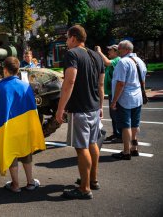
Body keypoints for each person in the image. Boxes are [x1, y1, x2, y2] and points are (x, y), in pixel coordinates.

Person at [56, 25, 104, 200]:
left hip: (79, 109)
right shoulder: (96, 55)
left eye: (67, 38)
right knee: (93, 144)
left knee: (81, 148)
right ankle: (93, 180)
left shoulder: (72, 54)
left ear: (74, 38)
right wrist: (100, 107)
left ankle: (84, 189)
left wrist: (60, 109)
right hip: (93, 108)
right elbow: (100, 85)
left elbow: (70, 81)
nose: (66, 41)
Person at [0, 56, 46, 193]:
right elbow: (33, 110)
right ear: (17, 70)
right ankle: (30, 182)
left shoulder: (0, 87)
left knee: (12, 154)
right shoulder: (25, 86)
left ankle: (15, 185)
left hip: (8, 128)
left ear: (5, 70)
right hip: (24, 127)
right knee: (26, 153)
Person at [110, 40, 147, 160]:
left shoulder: (123, 62)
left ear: (126, 50)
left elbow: (120, 83)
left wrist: (114, 100)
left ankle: (126, 152)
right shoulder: (140, 61)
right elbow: (143, 81)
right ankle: (134, 148)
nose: (118, 51)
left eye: (119, 49)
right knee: (135, 124)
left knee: (126, 125)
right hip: (137, 97)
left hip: (125, 98)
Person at [95, 44, 121, 143]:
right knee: (113, 114)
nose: (108, 52)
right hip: (111, 92)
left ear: (116, 52)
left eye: (110, 50)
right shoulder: (115, 60)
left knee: (115, 114)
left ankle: (119, 135)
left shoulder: (117, 60)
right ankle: (116, 133)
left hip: (115, 92)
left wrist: (99, 52)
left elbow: (107, 62)